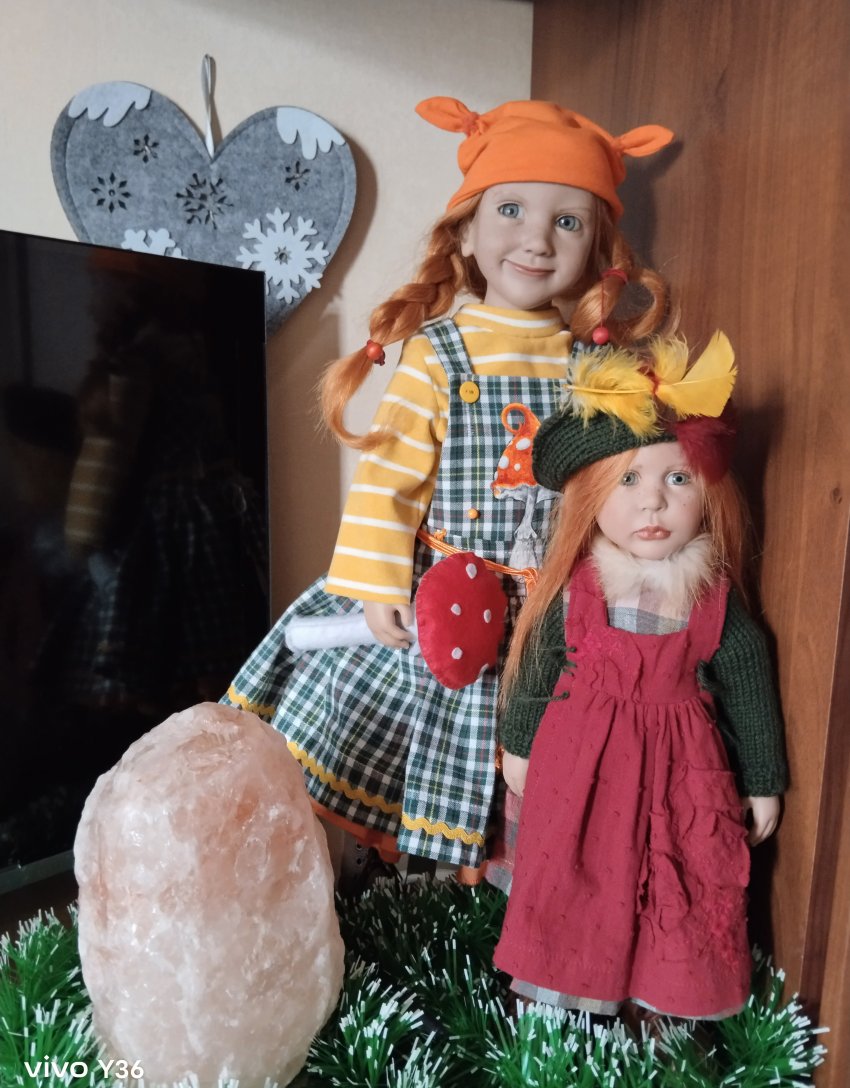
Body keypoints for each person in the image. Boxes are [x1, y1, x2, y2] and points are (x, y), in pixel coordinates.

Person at [222, 97, 674, 879]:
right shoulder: (438, 353)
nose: (537, 238)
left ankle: (501, 903)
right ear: (466, 230)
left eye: (568, 221)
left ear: (598, 247)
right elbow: (389, 478)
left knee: (533, 773)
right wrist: (377, 583)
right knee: (424, 752)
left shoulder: (596, 367)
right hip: (449, 604)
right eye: (511, 209)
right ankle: (415, 892)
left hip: (552, 617)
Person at [491, 331, 787, 1020]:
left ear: (708, 491)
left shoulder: (710, 598)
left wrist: (763, 778)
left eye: (676, 479)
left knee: (676, 879)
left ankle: (662, 1009)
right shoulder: (577, 591)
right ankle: (568, 1007)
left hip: (680, 775)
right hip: (582, 769)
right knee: (576, 878)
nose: (652, 503)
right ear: (592, 494)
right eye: (628, 480)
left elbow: (748, 679)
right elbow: (537, 664)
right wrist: (519, 743)